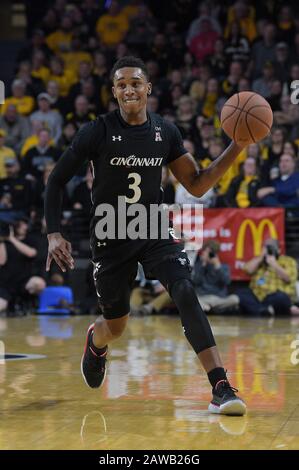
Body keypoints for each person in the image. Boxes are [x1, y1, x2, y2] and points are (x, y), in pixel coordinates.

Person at [45, 56, 247, 416]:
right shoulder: (97, 131)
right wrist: (53, 234)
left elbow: (197, 184)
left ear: (148, 88)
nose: (129, 89)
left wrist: (238, 145)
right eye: (121, 84)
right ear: (114, 92)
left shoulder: (166, 131)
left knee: (184, 290)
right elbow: (56, 180)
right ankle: (96, 339)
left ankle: (220, 385)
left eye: (135, 83)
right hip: (110, 231)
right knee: (117, 326)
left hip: (153, 224)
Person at [237, 239, 299, 316]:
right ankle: (264, 310)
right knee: (241, 293)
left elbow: (289, 278)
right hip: (257, 297)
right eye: (266, 247)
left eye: (272, 247)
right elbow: (247, 270)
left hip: (276, 296)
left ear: (279, 250)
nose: (269, 250)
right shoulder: (260, 260)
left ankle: (259, 310)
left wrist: (274, 264)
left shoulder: (288, 261)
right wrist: (260, 257)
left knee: (282, 298)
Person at [192, 240, 239, 314]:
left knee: (235, 299)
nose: (207, 254)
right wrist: (203, 265)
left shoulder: (223, 267)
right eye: (205, 252)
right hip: (203, 297)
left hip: (219, 298)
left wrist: (218, 266)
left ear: (215, 254)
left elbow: (227, 281)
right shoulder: (199, 265)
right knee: (192, 300)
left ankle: (208, 309)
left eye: (210, 253)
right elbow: (196, 281)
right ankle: (211, 309)